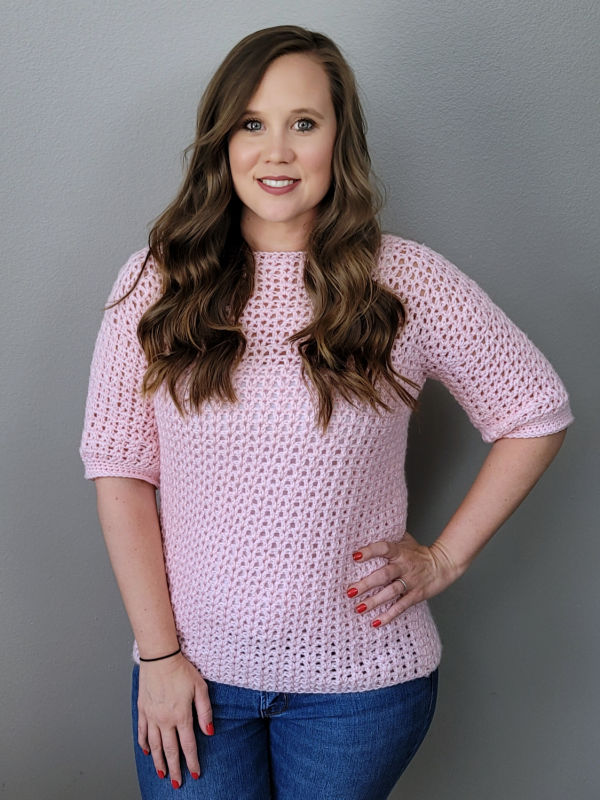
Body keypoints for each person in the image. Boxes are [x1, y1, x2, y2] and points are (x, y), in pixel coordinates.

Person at [79, 24, 574, 800]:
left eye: (303, 124)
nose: (276, 151)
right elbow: (119, 474)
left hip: (362, 692)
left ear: (338, 141)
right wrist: (159, 657)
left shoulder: (407, 282)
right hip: (193, 676)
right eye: (252, 123)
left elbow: (536, 411)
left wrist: (445, 558)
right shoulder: (155, 281)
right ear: (222, 140)